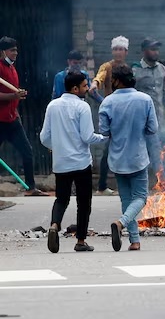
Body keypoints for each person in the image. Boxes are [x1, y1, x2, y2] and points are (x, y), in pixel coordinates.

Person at [40, 71, 107, 253]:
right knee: (84, 202)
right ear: (75, 88)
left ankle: (54, 225)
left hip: (60, 163)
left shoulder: (52, 106)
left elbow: (44, 137)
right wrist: (104, 138)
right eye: (85, 86)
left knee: (61, 199)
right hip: (80, 163)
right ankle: (80, 241)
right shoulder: (82, 107)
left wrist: (57, 147)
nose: (87, 89)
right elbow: (87, 137)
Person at [99, 64, 158, 251]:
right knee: (140, 197)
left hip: (117, 159)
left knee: (126, 199)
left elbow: (104, 131)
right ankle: (121, 223)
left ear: (116, 80)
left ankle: (135, 240)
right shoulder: (145, 99)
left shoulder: (107, 102)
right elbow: (152, 129)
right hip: (138, 157)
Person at [132, 38, 165, 187]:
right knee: (143, 154)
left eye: (157, 49)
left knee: (158, 152)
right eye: (152, 49)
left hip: (158, 121)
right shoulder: (135, 70)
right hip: (141, 121)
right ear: (144, 51)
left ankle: (162, 183)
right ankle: (149, 184)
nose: (156, 52)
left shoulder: (162, 69)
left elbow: (164, 95)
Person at [0, 37, 42, 196]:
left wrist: (16, 100)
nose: (15, 53)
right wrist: (13, 96)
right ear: (3, 51)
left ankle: (31, 188)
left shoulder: (12, 69)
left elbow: (13, 95)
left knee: (27, 151)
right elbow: (8, 95)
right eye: (12, 50)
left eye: (16, 50)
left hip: (12, 120)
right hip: (0, 120)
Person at [92, 36, 129, 196]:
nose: (117, 52)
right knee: (109, 150)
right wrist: (104, 102)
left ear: (126, 52)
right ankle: (101, 187)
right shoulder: (107, 67)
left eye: (120, 49)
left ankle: (123, 185)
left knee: (126, 148)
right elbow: (97, 82)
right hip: (113, 116)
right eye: (115, 49)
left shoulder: (128, 69)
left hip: (126, 114)